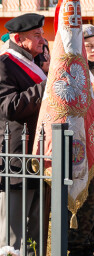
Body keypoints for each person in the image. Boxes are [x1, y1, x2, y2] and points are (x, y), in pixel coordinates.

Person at [0, 13, 48, 252]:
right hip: (17, 159)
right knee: (14, 234)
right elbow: (8, 106)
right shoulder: (4, 64)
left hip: (38, 155)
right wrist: (45, 86)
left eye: (42, 34)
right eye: (36, 35)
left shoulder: (35, 64)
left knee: (36, 231)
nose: (43, 39)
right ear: (19, 39)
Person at [66, 23, 94, 256]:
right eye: (88, 46)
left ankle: (91, 245)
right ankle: (78, 248)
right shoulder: (74, 71)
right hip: (83, 150)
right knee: (86, 208)